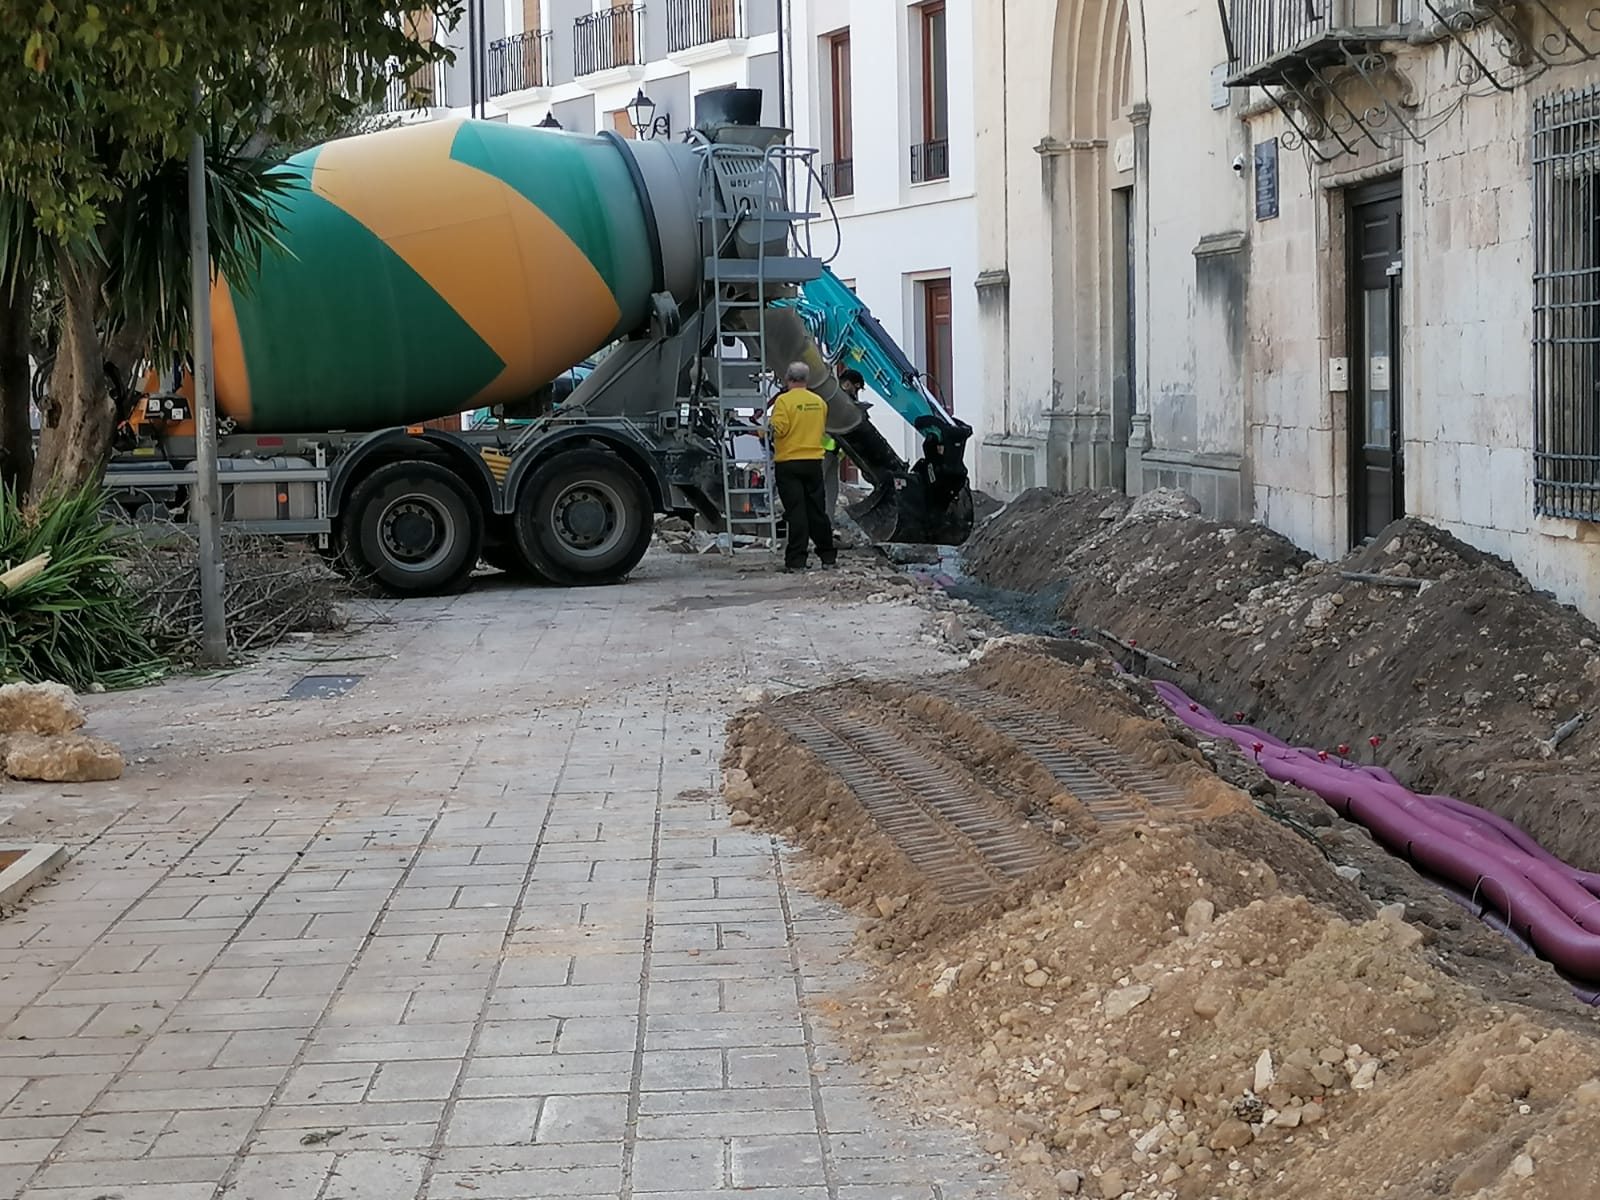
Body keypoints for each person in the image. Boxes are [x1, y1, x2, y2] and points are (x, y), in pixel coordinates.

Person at [768, 362, 836, 572]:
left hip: (789, 462)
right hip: (813, 462)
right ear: (806, 380)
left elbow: (780, 429)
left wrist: (766, 428)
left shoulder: (784, 402)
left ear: (788, 379)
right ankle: (827, 556)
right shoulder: (819, 402)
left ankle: (797, 560)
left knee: (796, 512)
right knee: (817, 511)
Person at [822, 367, 867, 516]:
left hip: (833, 452)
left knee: (831, 488)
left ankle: (827, 522)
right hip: (821, 451)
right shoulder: (834, 399)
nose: (856, 393)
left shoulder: (839, 398)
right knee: (818, 487)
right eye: (856, 388)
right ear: (847, 384)